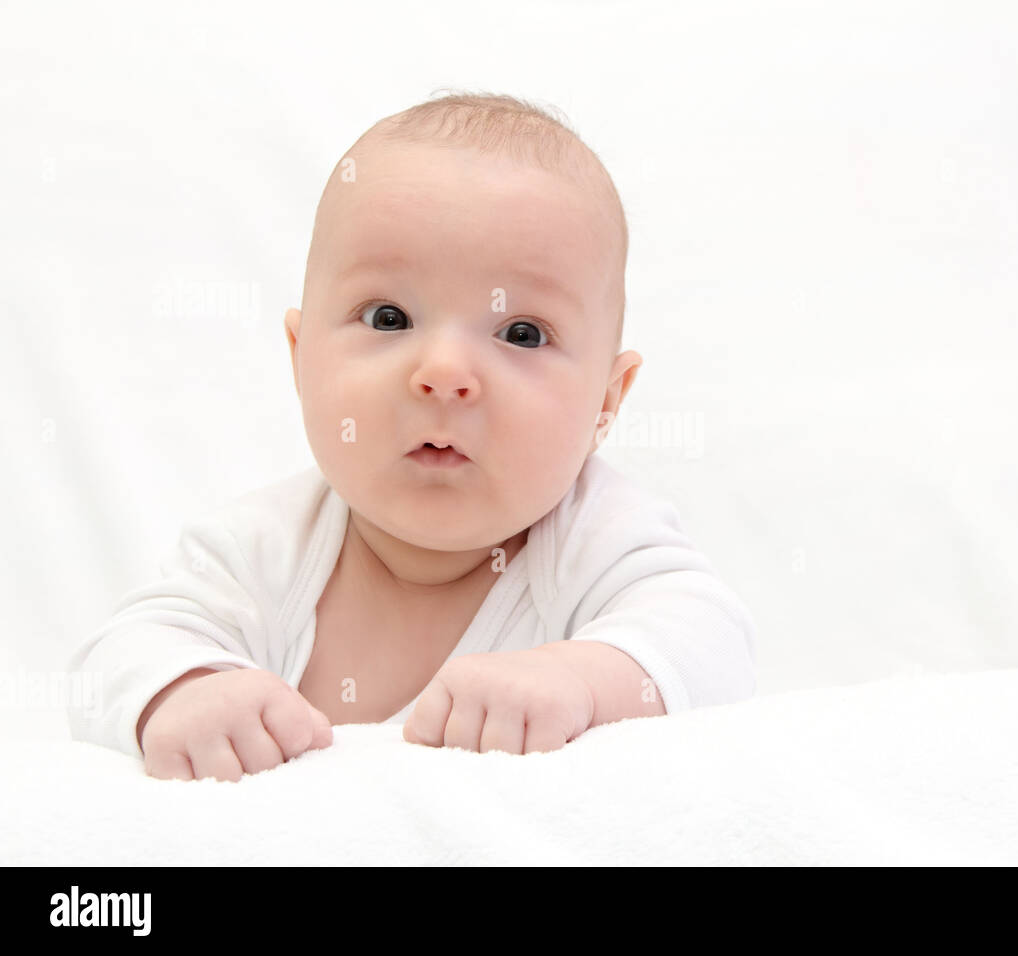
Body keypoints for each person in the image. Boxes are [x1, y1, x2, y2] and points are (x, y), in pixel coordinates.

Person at [66, 91, 757, 781]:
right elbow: (119, 653)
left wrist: (579, 678)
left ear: (607, 403)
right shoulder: (265, 549)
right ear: (299, 357)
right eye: (389, 318)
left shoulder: (595, 542)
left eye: (522, 334)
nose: (445, 374)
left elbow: (713, 643)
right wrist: (187, 690)